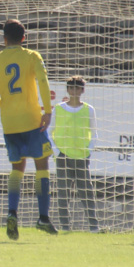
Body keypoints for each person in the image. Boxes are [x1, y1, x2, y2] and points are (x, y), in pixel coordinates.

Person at [0, 19, 57, 240]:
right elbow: (43, 82)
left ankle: (12, 213)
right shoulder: (32, 57)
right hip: (32, 120)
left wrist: (3, 103)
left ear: (3, 39)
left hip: (9, 123)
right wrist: (48, 111)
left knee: (17, 168)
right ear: (24, 38)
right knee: (41, 165)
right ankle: (43, 218)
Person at [51, 75, 101, 233]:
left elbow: (94, 134)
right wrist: (57, 152)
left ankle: (94, 226)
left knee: (86, 192)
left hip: (81, 157)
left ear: (82, 90)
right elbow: (48, 131)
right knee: (63, 193)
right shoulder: (58, 108)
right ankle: (65, 227)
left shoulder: (89, 109)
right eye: (71, 88)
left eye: (77, 88)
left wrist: (88, 152)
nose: (74, 91)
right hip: (63, 157)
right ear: (67, 89)